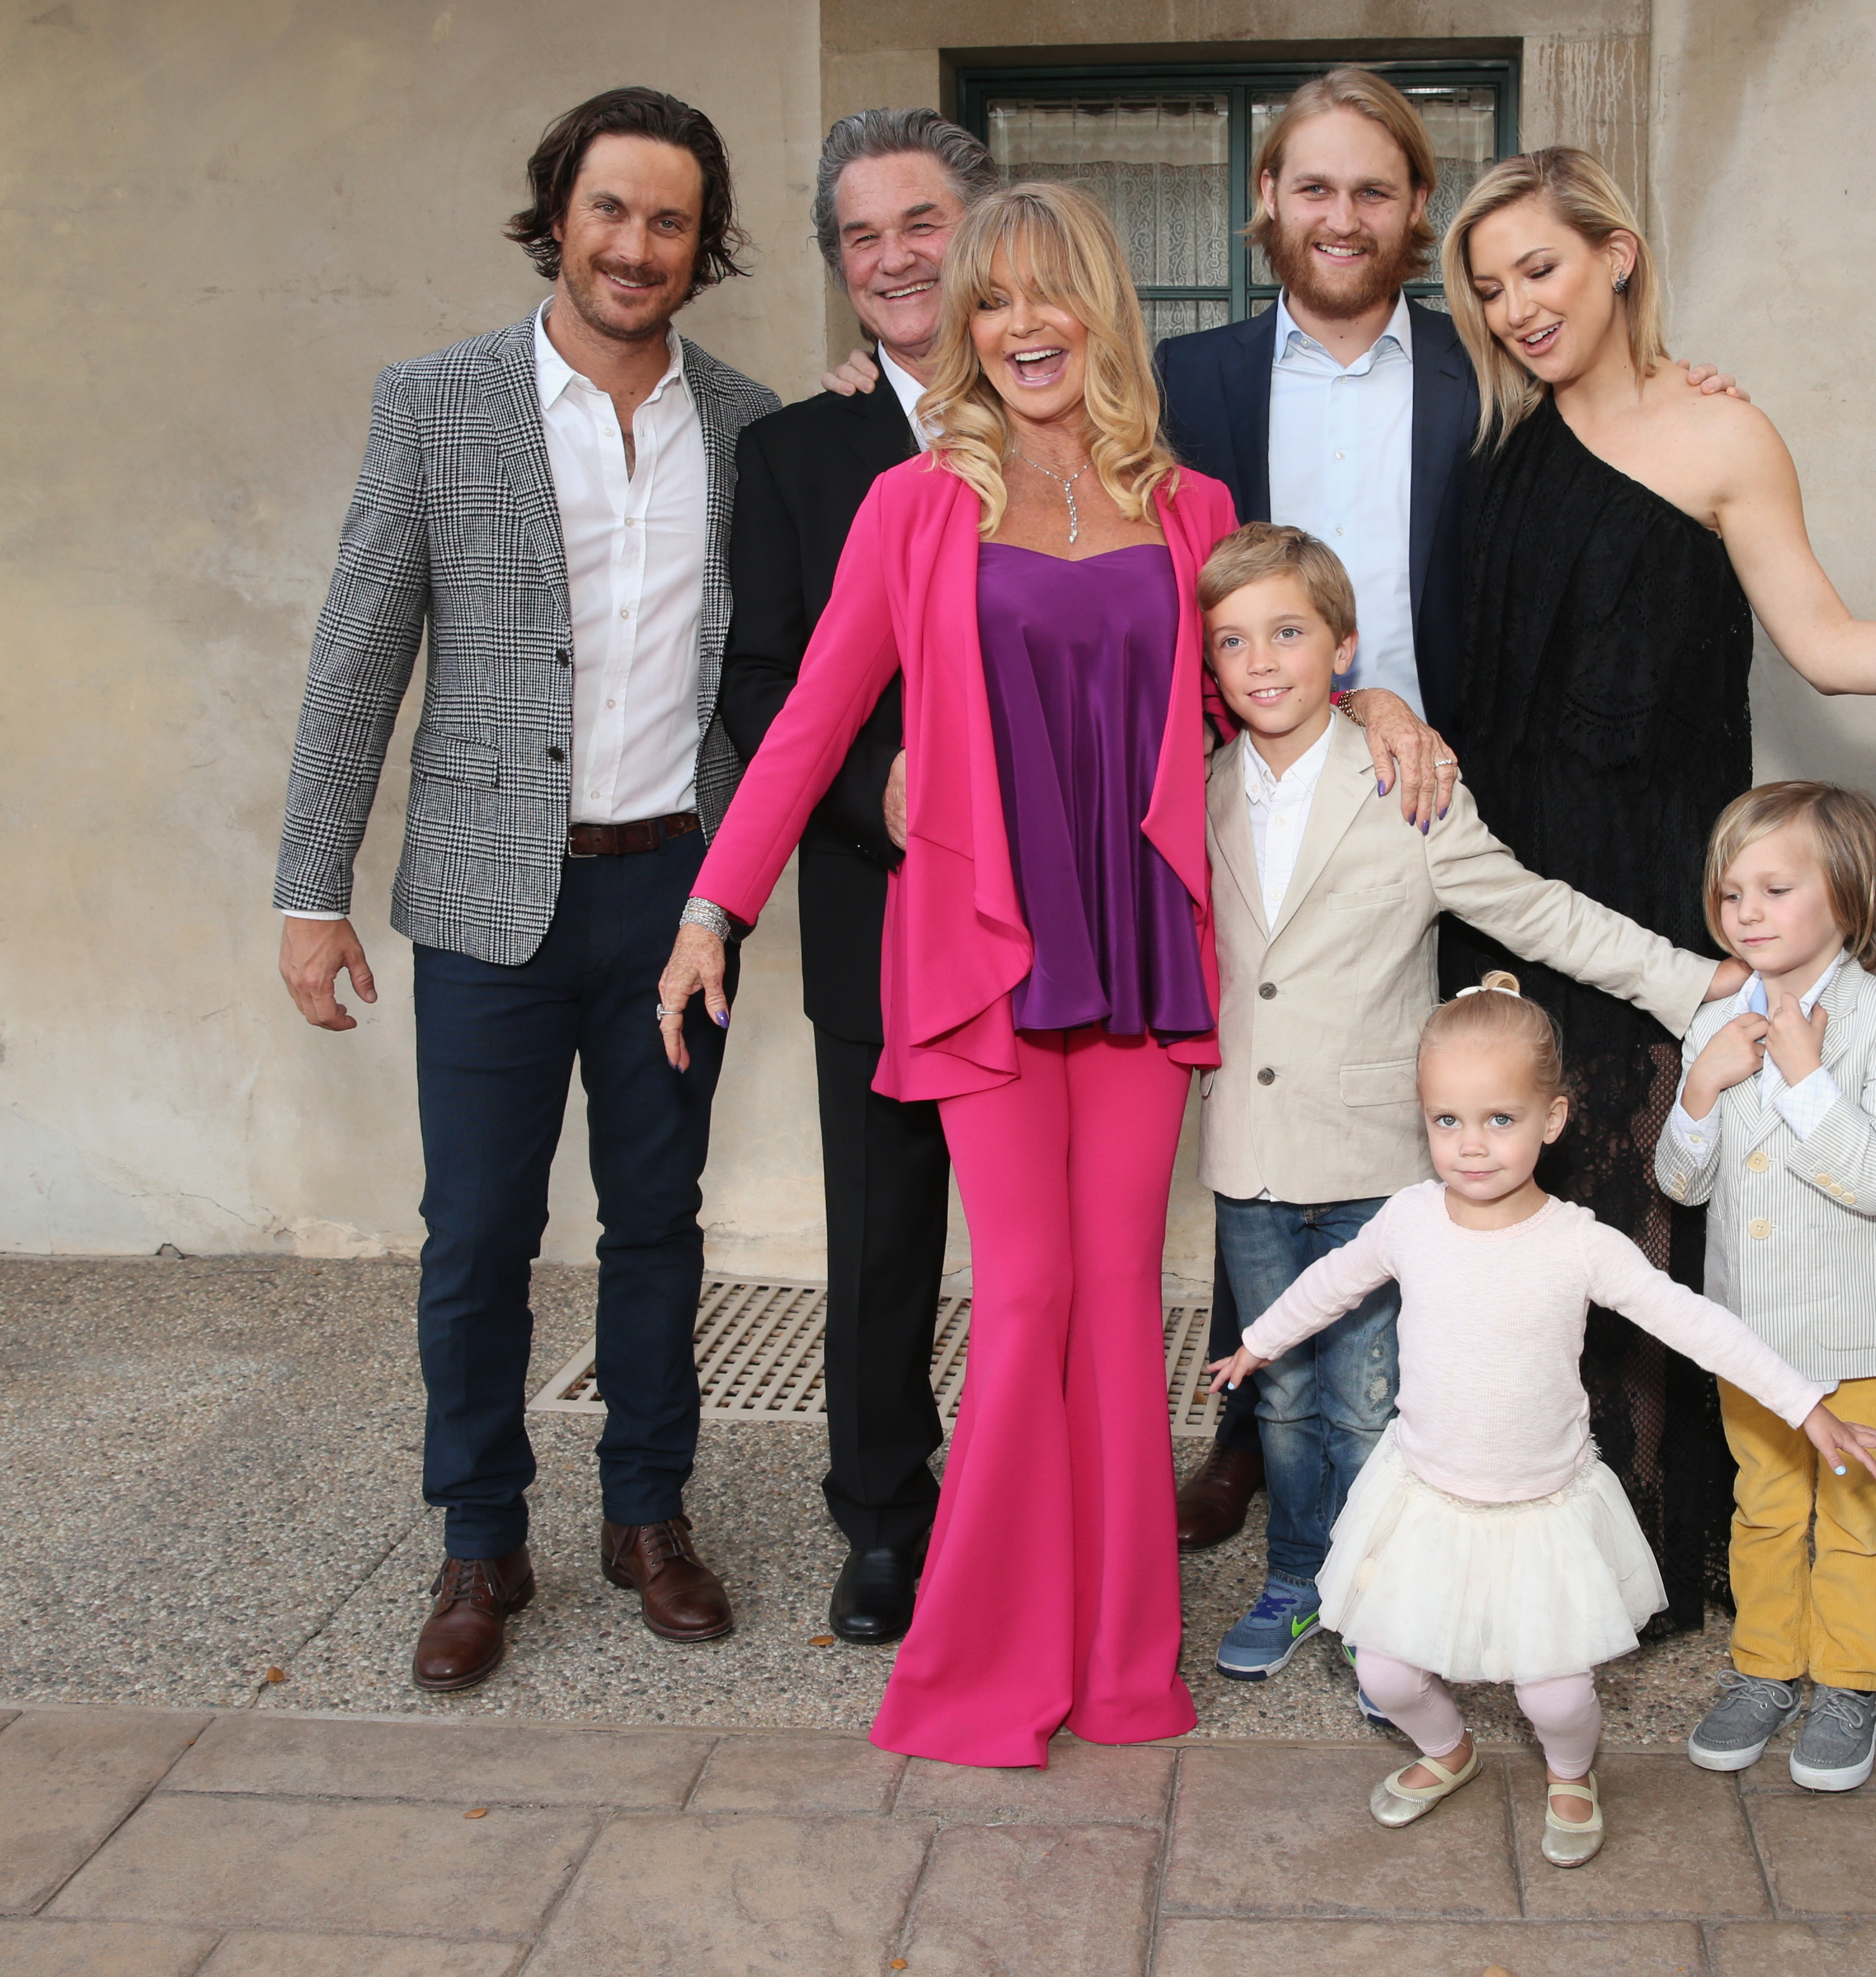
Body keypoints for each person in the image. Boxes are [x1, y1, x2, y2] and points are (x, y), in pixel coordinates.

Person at [657, 182, 1230, 1766]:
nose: (1024, 326)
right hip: (984, 956)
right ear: (964, 329)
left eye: (1053, 295)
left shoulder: (1192, 507)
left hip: (1137, 950)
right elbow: (808, 720)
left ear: (1104, 313)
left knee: (1121, 1302)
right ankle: (983, 1655)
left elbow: (1274, 679)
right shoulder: (912, 506)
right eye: (994, 302)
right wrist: (717, 904)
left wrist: (1378, 709)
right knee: (1028, 1289)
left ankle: (1121, 1661)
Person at [1147, 74, 1746, 1548]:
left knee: (1433, 1130)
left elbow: (1614, 455)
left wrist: (1694, 391)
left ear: (1415, 212)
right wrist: (882, 384)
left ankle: (1431, 1421)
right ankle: (1256, 1424)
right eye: (1311, 187)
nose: (1339, 215)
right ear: (1266, 203)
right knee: (1279, 1078)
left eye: (1373, 189)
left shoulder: (1479, 368)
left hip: (1454, 798)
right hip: (1262, 778)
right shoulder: (1187, 379)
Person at [1434, 146, 1876, 1634]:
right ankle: (1523, 1540)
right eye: (1487, 289)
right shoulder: (1492, 433)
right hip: (1504, 887)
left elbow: (1821, 638)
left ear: (1617, 253)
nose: (1514, 307)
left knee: (1654, 1225)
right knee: (1520, 1214)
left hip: (1663, 886)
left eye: (1539, 269)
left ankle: (1649, 1562)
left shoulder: (1723, 432)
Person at [273, 87, 777, 1693]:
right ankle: (479, 1532)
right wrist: (309, 886)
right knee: (476, 1232)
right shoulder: (436, 403)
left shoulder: (756, 429)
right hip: (489, 898)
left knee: (657, 1223)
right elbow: (360, 654)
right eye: (611, 211)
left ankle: (647, 1516)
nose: (636, 247)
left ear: (706, 247)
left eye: (671, 221)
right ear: (557, 213)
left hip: (676, 905)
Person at [1191, 523, 1744, 1692]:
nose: (1262, 661)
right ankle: (1296, 1574)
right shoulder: (1194, 793)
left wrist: (1694, 982)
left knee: (1376, 1396)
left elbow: (1539, 911)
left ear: (1343, 649)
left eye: (1288, 633)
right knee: (1283, 1398)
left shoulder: (1409, 791)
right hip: (1247, 1150)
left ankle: (1378, 1604)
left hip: (1379, 1155)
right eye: (1233, 641)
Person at [1205, 976, 1876, 1868]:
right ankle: (1446, 1752)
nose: (1472, 1146)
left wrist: (1805, 1404)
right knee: (1382, 1670)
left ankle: (1572, 1773)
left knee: (1556, 1697)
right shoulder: (1410, 1220)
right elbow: (1334, 1281)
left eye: (1500, 1119)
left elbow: (1695, 1321)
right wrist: (1259, 1341)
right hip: (1427, 1493)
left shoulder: (1579, 1243)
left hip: (1541, 1504)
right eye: (1446, 1122)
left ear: (1554, 1118)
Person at [717, 109, 1001, 1645]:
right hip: (875, 902)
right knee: (883, 1233)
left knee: (1042, 1254)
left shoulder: (1061, 424)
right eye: (860, 235)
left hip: (1048, 920)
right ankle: (883, 1516)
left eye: (920, 221)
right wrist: (863, 788)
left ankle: (1033, 1503)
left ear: (982, 231)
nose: (892, 257)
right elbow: (757, 679)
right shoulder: (794, 450)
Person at [1656, 783, 1876, 1793]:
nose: (1748, 914)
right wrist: (1701, 1088)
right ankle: (1765, 1670)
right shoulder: (1715, 1025)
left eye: (1777, 888)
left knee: (1860, 1514)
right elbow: (1682, 1183)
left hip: (1858, 1334)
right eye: (1732, 895)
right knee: (1764, 1507)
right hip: (1753, 1334)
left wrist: (1808, 1079)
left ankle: (1851, 1684)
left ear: (1849, 899)